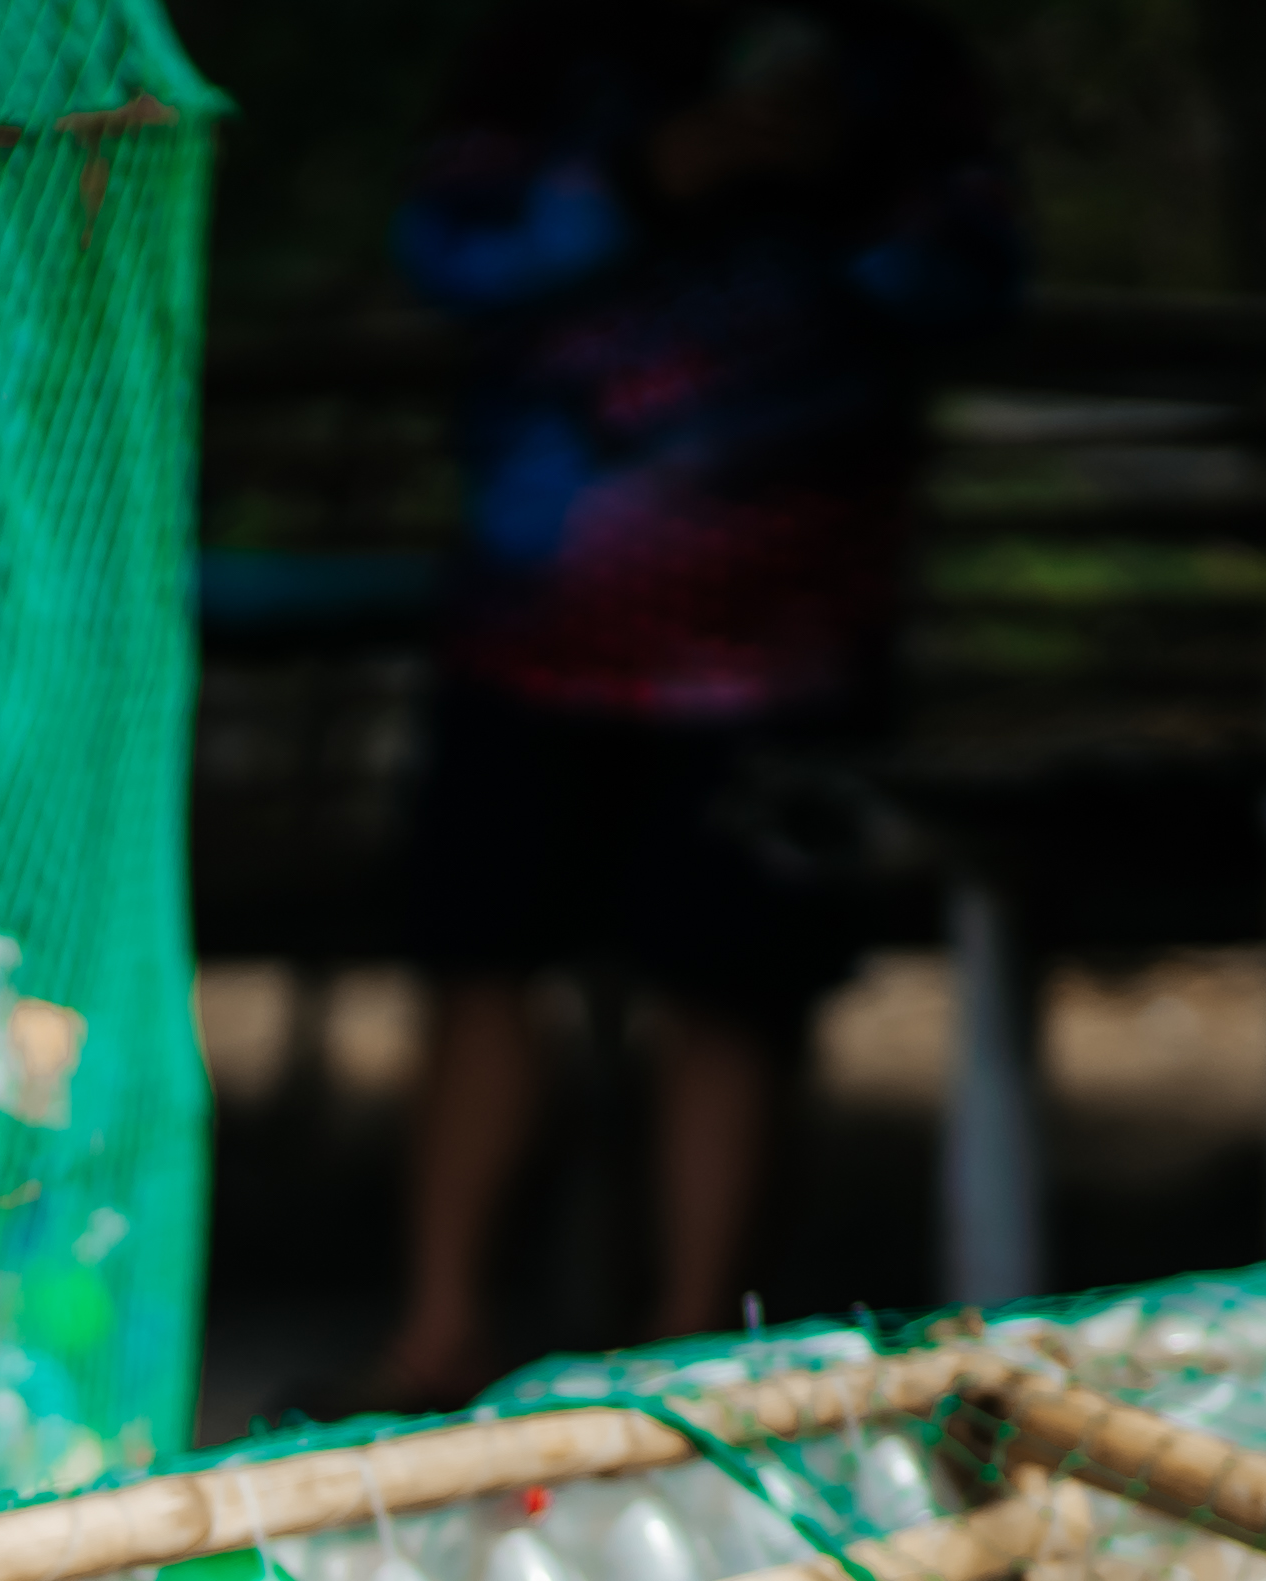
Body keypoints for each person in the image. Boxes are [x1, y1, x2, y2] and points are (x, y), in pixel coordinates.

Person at [368, 3, 1019, 1406]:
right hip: (528, 620)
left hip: (783, 644)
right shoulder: (543, 58)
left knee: (731, 985)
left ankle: (694, 1370)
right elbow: (441, 244)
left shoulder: (892, 70)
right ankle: (438, 1338)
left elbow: (974, 275)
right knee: (478, 958)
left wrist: (834, 185)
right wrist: (648, 178)